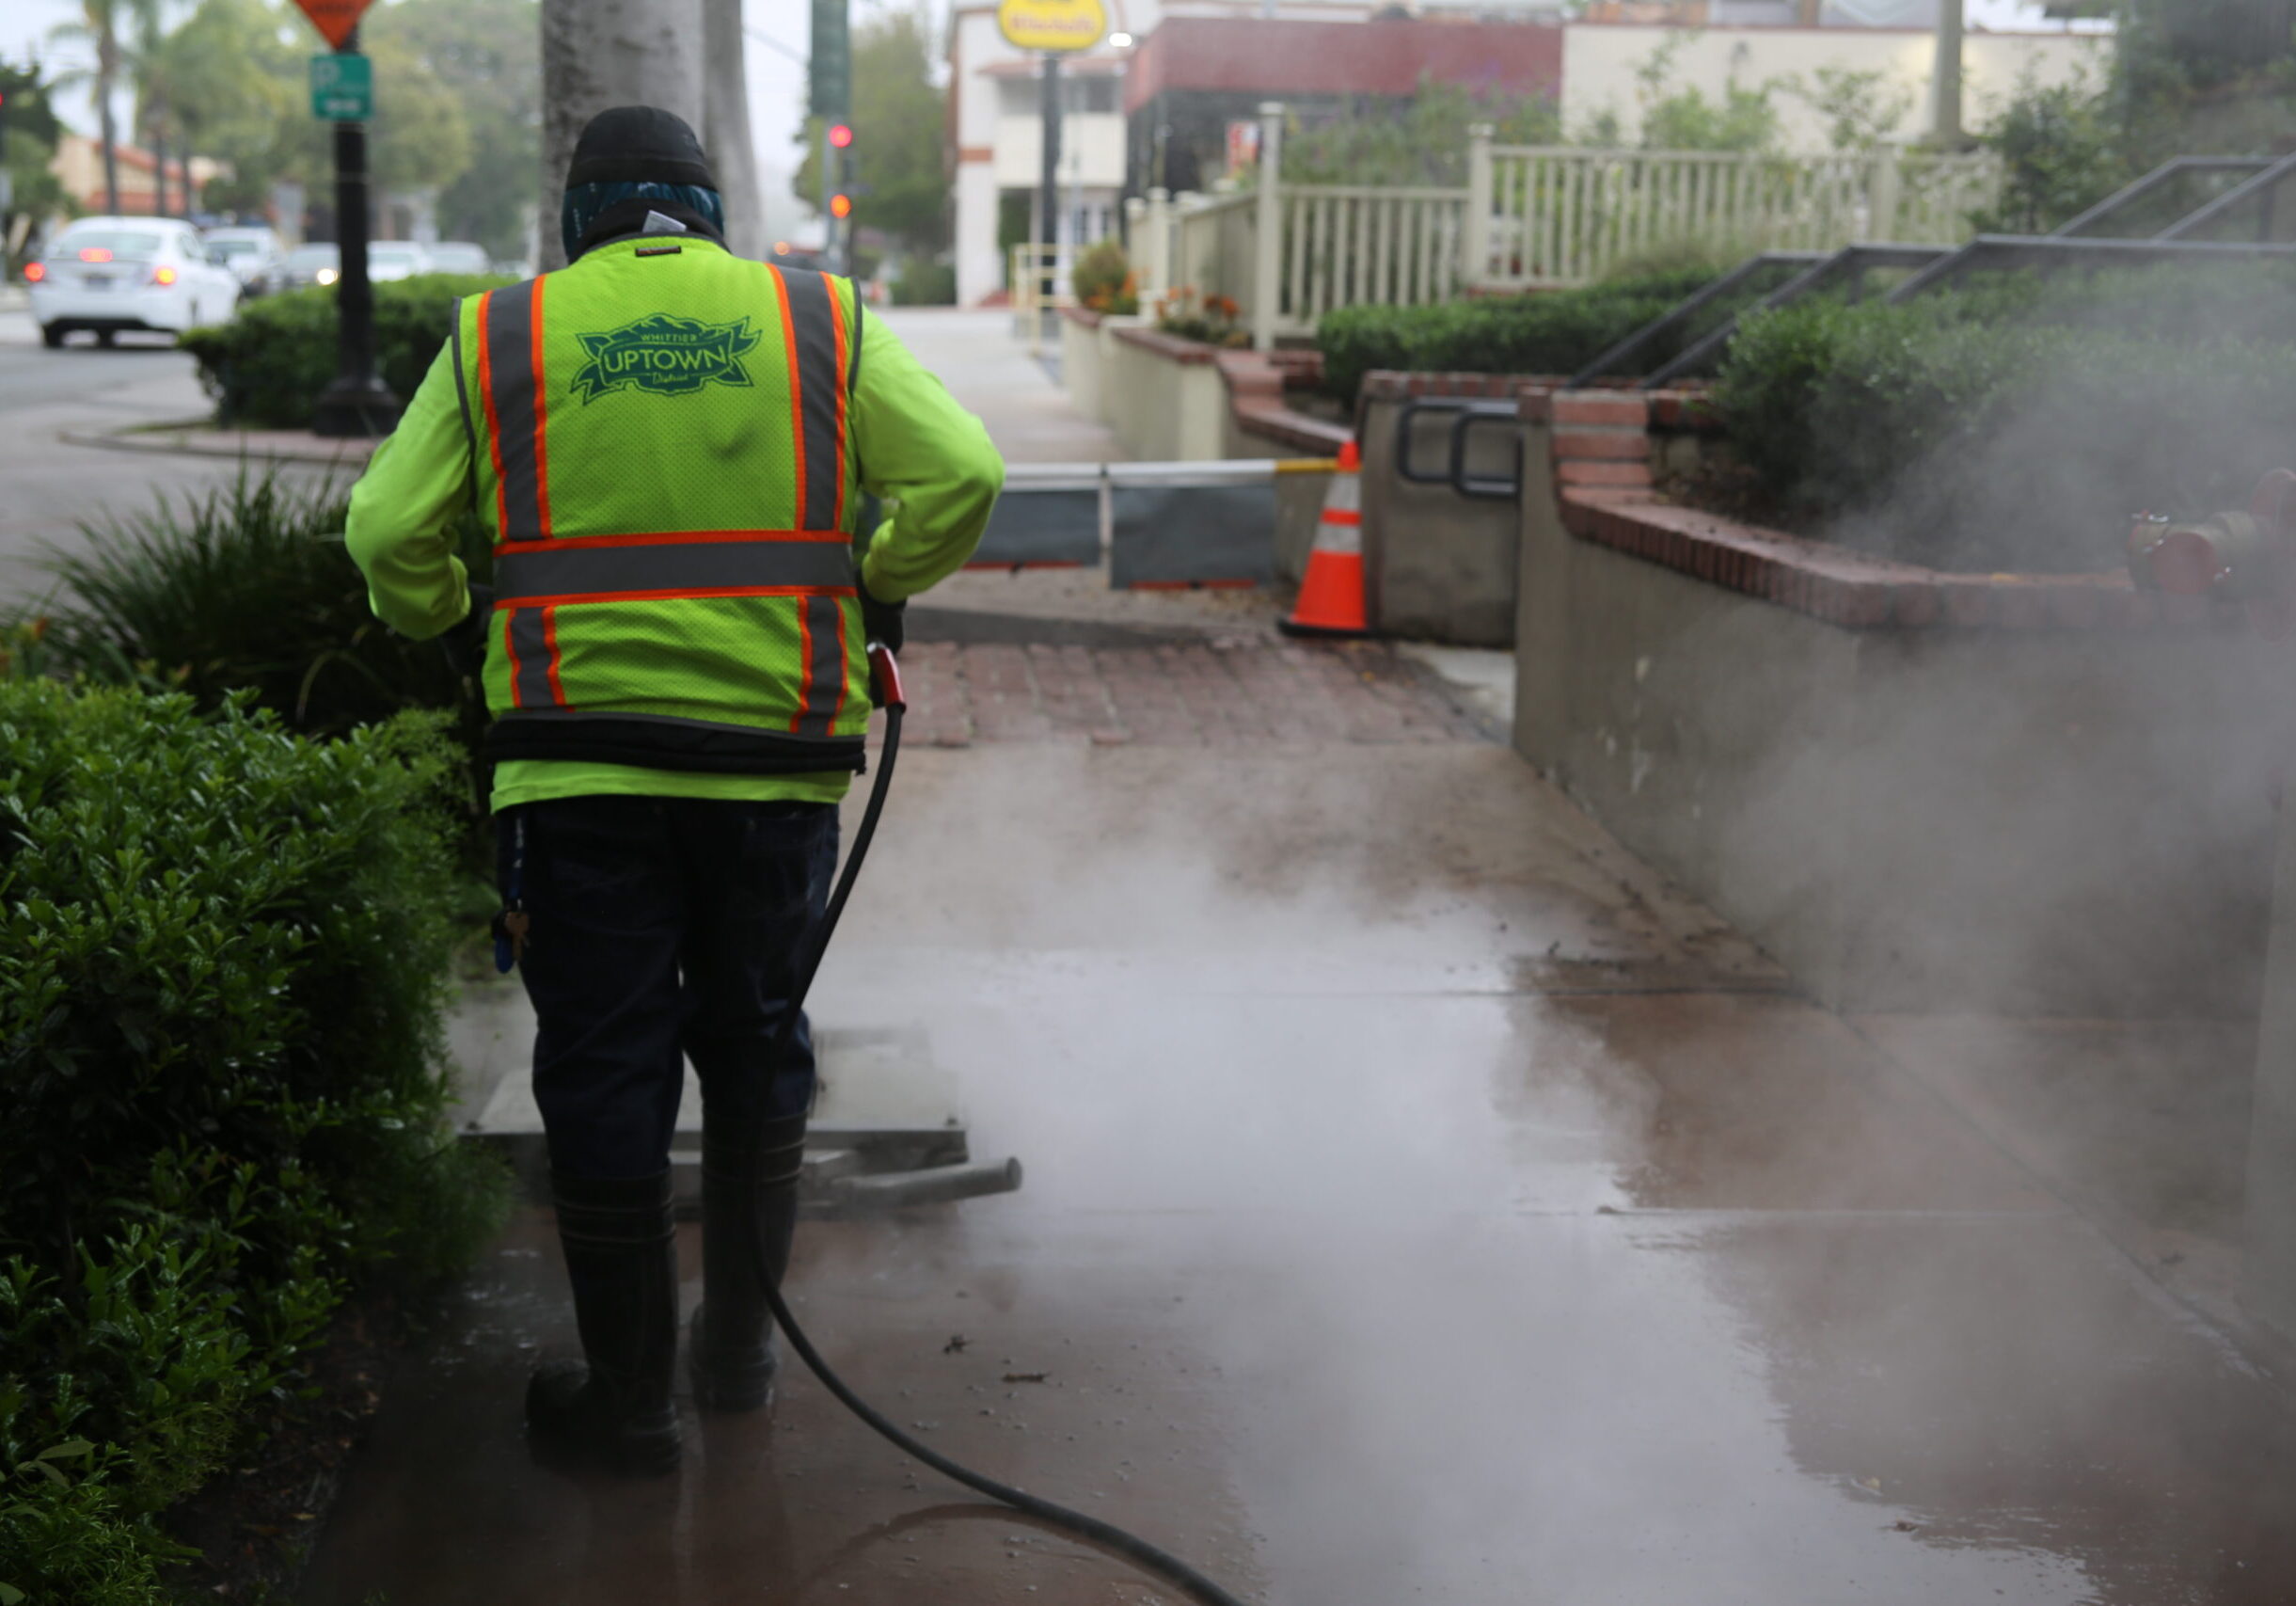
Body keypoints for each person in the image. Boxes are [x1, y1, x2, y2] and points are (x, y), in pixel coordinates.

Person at [345, 105, 1003, 1475]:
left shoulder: (504, 334)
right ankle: (740, 1360)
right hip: (775, 767)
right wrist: (880, 576)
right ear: (706, 210)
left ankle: (631, 1406)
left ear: (577, 216)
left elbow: (388, 530)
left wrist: (444, 607)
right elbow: (966, 473)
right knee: (758, 1041)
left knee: (603, 1061)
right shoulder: (819, 320)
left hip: (577, 769)